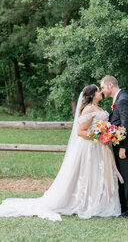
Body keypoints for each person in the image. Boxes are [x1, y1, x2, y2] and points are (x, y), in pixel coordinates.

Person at [0, 84, 121, 221]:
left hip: (99, 147)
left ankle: (99, 202)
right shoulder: (88, 109)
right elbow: (80, 132)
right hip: (90, 147)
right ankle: (87, 203)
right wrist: (99, 136)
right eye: (98, 91)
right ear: (92, 95)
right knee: (89, 174)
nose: (101, 92)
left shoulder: (98, 108)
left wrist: (107, 134)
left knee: (97, 174)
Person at [100, 75, 128, 218]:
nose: (102, 91)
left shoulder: (123, 100)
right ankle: (124, 207)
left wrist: (123, 147)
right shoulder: (117, 100)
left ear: (110, 86)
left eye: (103, 88)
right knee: (122, 178)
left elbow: (126, 125)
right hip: (121, 146)